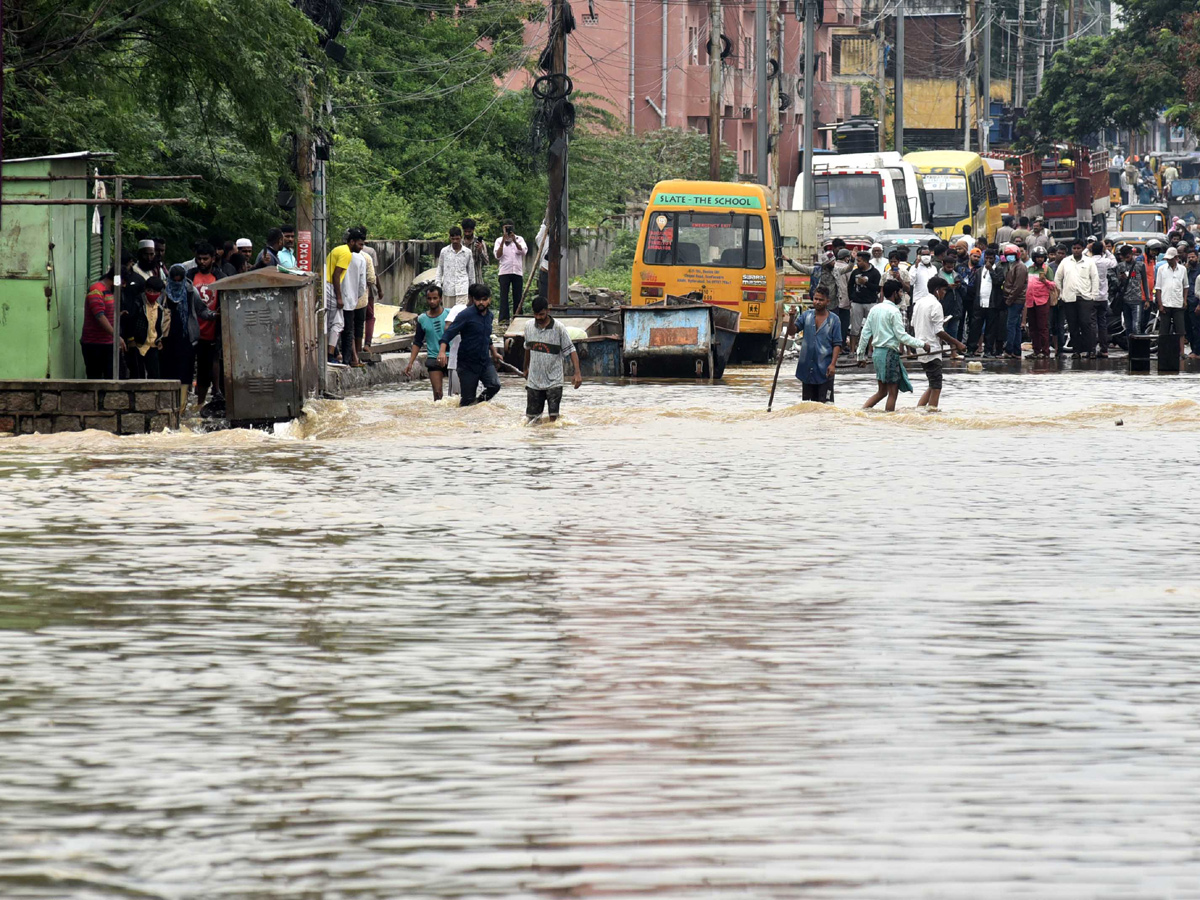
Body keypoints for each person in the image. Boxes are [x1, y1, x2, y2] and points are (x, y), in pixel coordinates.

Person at [858, 280, 929, 411]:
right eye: (901, 292)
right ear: (895, 293)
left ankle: (862, 412)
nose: (901, 295)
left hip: (877, 354)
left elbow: (865, 334)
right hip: (889, 354)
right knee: (892, 393)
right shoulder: (894, 311)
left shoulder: (875, 309)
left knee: (882, 392)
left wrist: (860, 356)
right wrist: (922, 344)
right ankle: (888, 420)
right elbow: (902, 336)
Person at [436, 283, 501, 406]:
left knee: (494, 385)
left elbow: (487, 336)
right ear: (473, 300)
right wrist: (442, 351)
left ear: (489, 299)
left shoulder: (490, 316)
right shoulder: (466, 315)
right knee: (467, 400)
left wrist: (494, 352)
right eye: (478, 300)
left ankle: (478, 404)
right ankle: (467, 415)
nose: (481, 303)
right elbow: (449, 333)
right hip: (467, 364)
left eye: (484, 300)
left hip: (484, 361)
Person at [522, 296, 582, 423]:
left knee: (553, 421)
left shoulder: (559, 328)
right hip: (534, 381)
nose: (538, 317)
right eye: (536, 314)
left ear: (548, 311)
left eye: (541, 314)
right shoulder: (528, 326)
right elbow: (527, 348)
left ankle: (552, 442)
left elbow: (571, 350)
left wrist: (577, 373)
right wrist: (525, 368)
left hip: (554, 381)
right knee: (532, 421)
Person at [912, 276, 966, 410]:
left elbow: (914, 323)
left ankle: (919, 409)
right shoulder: (936, 304)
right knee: (937, 386)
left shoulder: (919, 302)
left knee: (932, 383)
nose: (944, 294)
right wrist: (957, 343)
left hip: (920, 347)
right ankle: (932, 413)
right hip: (932, 350)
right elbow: (938, 331)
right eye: (943, 291)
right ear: (937, 290)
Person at [785, 284, 842, 403]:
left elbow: (837, 344)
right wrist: (791, 318)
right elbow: (791, 332)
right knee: (807, 405)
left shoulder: (834, 320)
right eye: (816, 299)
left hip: (825, 369)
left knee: (825, 405)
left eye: (821, 300)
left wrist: (833, 364)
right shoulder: (806, 316)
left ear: (827, 301)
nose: (817, 302)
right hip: (807, 369)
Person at [325, 227, 367, 366]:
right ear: (352, 241)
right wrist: (340, 297)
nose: (361, 248)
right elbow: (336, 275)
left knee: (333, 324)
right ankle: (337, 357)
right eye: (360, 244)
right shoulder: (348, 254)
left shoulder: (339, 250)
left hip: (332, 291)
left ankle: (335, 354)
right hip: (336, 292)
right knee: (341, 326)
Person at [1054, 237, 1100, 359]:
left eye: (1078, 248)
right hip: (1069, 299)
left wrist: (1093, 296)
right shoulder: (1066, 262)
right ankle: (1076, 351)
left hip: (1085, 298)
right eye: (1074, 248)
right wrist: (1061, 294)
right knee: (1072, 326)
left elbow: (1095, 279)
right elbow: (1058, 279)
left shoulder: (1089, 262)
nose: (1076, 250)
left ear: (1083, 249)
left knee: (1086, 324)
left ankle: (1091, 350)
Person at [191, 243, 224, 405]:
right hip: (192, 330)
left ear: (213, 259)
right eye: (199, 259)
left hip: (212, 329)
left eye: (205, 259)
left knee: (206, 369)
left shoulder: (220, 278)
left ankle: (201, 403)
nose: (202, 262)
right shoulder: (190, 276)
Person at [405, 285, 450, 400]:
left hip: (451, 357)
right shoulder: (422, 319)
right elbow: (417, 342)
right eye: (429, 298)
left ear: (440, 299)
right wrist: (410, 362)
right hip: (433, 358)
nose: (432, 301)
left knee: (456, 393)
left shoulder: (450, 314)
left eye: (435, 298)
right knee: (437, 394)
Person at [80, 264, 124, 379]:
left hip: (109, 344)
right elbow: (99, 316)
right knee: (95, 379)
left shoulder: (111, 291)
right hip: (95, 344)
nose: (123, 286)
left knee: (114, 378)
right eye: (122, 283)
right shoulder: (96, 290)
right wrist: (116, 336)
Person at [161, 264, 200, 393]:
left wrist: (213, 315)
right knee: (168, 370)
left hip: (186, 337)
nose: (177, 283)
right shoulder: (164, 292)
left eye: (179, 280)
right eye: (174, 280)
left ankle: (182, 404)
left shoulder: (190, 291)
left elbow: (201, 309)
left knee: (185, 372)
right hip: (168, 338)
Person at [122, 276, 170, 379]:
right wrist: (131, 339)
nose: (151, 294)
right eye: (149, 291)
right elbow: (130, 322)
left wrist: (160, 339)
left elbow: (160, 326)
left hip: (153, 346)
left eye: (155, 292)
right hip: (139, 345)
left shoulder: (160, 308)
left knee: (154, 376)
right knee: (138, 376)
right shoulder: (138, 304)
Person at [1155, 246, 1189, 361]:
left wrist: (1184, 300)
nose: (1169, 261)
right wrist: (1160, 304)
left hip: (1178, 303)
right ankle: (1162, 351)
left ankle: (1182, 352)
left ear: (1176, 258)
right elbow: (1158, 288)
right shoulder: (1161, 269)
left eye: (1171, 258)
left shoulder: (1183, 270)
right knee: (1163, 330)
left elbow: (1186, 286)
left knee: (1180, 330)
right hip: (1165, 303)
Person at [1114, 243, 1148, 347]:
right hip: (1125, 300)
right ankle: (1131, 349)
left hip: (1137, 299)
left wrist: (1147, 299)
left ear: (1131, 254)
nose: (1126, 259)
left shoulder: (1140, 265)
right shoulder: (1120, 266)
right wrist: (1121, 279)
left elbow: (1144, 282)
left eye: (1127, 256)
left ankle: (1138, 349)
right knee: (1128, 326)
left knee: (1136, 326)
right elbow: (1118, 284)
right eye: (1124, 257)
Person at [494, 219, 528, 323]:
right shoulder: (499, 240)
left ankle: (518, 317)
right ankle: (504, 319)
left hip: (517, 271)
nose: (508, 229)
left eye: (510, 227)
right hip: (504, 271)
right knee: (504, 295)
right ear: (503, 228)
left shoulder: (519, 239)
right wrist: (503, 242)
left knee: (517, 295)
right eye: (506, 227)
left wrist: (515, 241)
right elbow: (497, 256)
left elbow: (523, 252)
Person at [848, 251, 881, 354]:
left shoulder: (875, 273)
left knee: (871, 327)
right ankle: (852, 351)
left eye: (859, 261)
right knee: (854, 328)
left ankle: (870, 350)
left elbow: (878, 288)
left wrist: (866, 283)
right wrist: (851, 298)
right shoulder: (855, 272)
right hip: (857, 302)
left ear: (866, 261)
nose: (857, 263)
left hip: (870, 302)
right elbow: (850, 286)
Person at [1087, 240, 1116, 357]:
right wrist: (1107, 250)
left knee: (1092, 324)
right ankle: (1104, 349)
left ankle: (1092, 349)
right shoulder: (1105, 261)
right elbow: (1114, 262)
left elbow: (1083, 255)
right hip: (1103, 297)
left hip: (1091, 296)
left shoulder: (1088, 261)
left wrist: (1087, 248)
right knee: (1102, 324)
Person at [1024, 247, 1054, 359]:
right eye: (1037, 257)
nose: (1039, 259)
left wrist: (1044, 281)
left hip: (1042, 301)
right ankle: (1036, 350)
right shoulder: (1030, 269)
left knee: (1043, 327)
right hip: (1030, 301)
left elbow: (1053, 285)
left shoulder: (1047, 269)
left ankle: (1045, 351)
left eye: (1041, 257)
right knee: (1032, 327)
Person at [437, 225, 475, 309]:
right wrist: (438, 284)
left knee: (461, 314)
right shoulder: (444, 251)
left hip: (462, 289)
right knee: (448, 313)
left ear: (461, 238)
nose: (455, 241)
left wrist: (472, 290)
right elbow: (440, 268)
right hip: (448, 289)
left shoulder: (467, 252)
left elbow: (471, 272)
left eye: (457, 239)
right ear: (449, 238)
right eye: (453, 239)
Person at [1001, 243, 1028, 358]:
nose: (1009, 257)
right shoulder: (1013, 265)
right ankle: (1016, 352)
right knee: (1016, 326)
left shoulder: (1020, 267)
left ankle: (1009, 350)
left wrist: (1009, 300)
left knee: (1011, 326)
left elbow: (1018, 286)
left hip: (1016, 300)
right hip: (1014, 299)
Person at [358, 235, 380, 354]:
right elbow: (374, 275)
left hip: (350, 292)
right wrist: (379, 289)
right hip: (367, 291)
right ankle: (367, 343)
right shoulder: (369, 253)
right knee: (369, 317)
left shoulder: (343, 251)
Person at [461, 218, 489, 283]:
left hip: (477, 279)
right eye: (465, 231)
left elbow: (486, 262)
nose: (467, 233)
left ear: (473, 230)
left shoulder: (480, 243)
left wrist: (480, 251)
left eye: (469, 231)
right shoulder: (460, 243)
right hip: (462, 280)